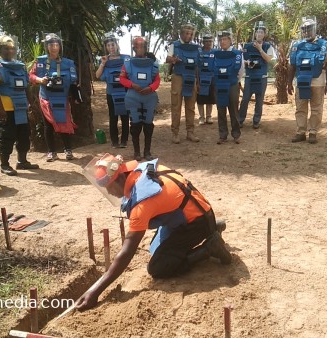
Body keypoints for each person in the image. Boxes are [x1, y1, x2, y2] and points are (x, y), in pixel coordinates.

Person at [77, 154, 231, 311]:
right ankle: (213, 227)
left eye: (109, 187)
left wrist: (95, 291)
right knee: (156, 249)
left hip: (195, 224)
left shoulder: (142, 203)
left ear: (119, 179)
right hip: (201, 212)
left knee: (158, 267)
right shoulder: (143, 171)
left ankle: (209, 248)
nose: (109, 192)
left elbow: (126, 252)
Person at [0, 35, 39, 176]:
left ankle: (22, 161)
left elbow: (26, 86)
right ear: (0, 49)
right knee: (7, 136)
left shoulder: (20, 66)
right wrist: (1, 109)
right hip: (6, 109)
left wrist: (31, 104)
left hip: (21, 107)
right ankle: (4, 164)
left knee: (24, 134)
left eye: (12, 48)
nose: (9, 51)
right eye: (6, 48)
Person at [29, 33, 80, 161]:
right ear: (47, 46)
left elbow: (74, 81)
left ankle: (68, 150)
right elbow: (31, 76)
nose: (54, 47)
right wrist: (41, 80)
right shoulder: (40, 62)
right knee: (48, 125)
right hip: (46, 98)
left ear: (60, 46)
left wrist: (76, 96)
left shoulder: (68, 63)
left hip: (62, 98)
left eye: (56, 44)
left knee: (64, 121)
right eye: (51, 45)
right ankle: (51, 152)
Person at [287, 17, 327, 144]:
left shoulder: (324, 45)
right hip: (301, 82)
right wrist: (289, 83)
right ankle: (300, 132)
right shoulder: (296, 46)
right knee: (300, 108)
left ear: (314, 29)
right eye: (304, 29)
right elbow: (292, 65)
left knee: (316, 108)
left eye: (309, 29)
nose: (307, 32)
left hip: (318, 82)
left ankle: (313, 132)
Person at [119, 37, 160, 161]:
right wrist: (133, 85)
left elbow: (157, 79)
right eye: (138, 46)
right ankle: (137, 152)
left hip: (149, 97)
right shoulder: (127, 63)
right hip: (133, 97)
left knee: (148, 124)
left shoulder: (153, 64)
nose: (141, 49)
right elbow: (122, 79)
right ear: (134, 48)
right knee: (135, 124)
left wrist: (151, 87)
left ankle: (147, 151)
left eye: (143, 46)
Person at [166, 23, 201, 144]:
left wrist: (198, 82)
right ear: (182, 33)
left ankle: (190, 132)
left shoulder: (195, 48)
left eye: (191, 34)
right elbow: (167, 59)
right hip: (178, 77)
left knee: (191, 106)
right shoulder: (174, 45)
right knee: (176, 105)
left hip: (192, 77)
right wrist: (173, 59)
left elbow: (197, 66)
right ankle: (175, 133)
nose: (189, 36)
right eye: (187, 33)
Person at [238, 21, 277, 129]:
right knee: (245, 99)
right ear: (255, 34)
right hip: (249, 77)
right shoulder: (246, 46)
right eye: (258, 32)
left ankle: (256, 121)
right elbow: (241, 60)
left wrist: (260, 49)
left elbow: (269, 59)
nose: (259, 34)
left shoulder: (268, 46)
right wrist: (248, 63)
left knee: (259, 101)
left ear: (264, 34)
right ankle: (240, 120)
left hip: (262, 78)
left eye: (261, 32)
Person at [96, 34, 130, 148]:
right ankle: (114, 141)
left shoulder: (126, 58)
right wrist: (103, 63)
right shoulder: (104, 59)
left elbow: (131, 72)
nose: (111, 47)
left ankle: (124, 140)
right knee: (113, 116)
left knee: (125, 116)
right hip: (111, 93)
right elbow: (97, 75)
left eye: (113, 44)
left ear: (117, 45)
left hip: (125, 91)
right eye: (109, 45)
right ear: (106, 47)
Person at [212, 30, 244, 144]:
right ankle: (222, 135)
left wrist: (234, 81)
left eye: (225, 39)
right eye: (220, 40)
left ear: (230, 41)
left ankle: (236, 135)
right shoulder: (215, 54)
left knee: (234, 110)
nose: (222, 41)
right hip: (219, 85)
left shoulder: (238, 54)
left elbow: (241, 71)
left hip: (232, 85)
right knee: (220, 110)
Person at [197, 32, 216, 125]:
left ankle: (208, 117)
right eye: (206, 41)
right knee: (200, 99)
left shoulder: (215, 52)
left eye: (210, 41)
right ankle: (201, 117)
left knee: (210, 99)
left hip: (211, 78)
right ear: (203, 42)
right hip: (201, 78)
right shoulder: (198, 52)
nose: (208, 43)